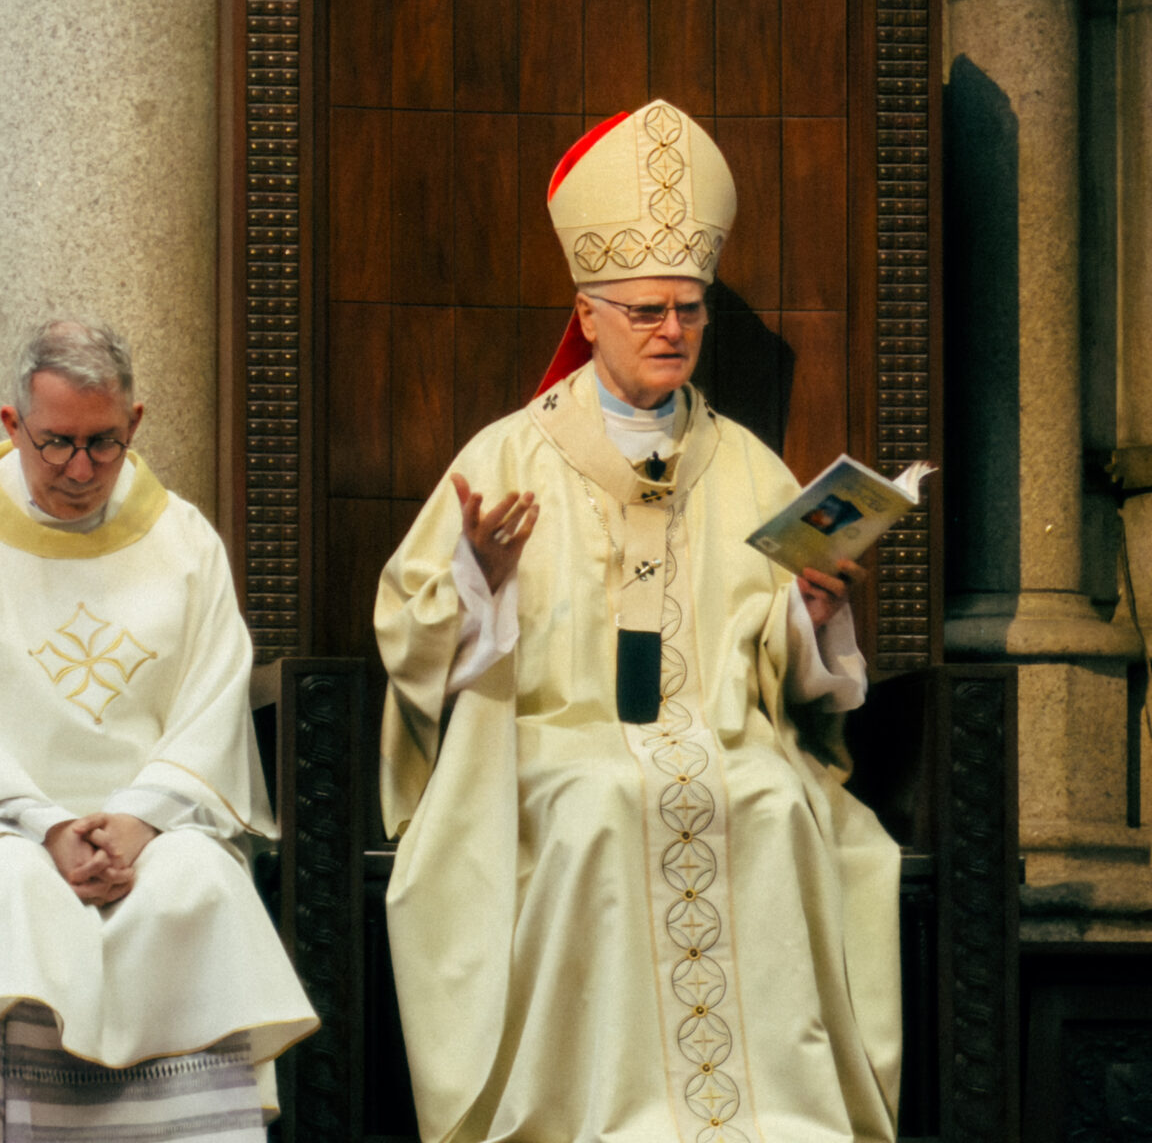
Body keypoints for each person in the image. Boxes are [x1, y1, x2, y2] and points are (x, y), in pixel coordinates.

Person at [376, 101, 902, 1143]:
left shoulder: (748, 464)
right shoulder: (507, 457)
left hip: (723, 735)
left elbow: (794, 681)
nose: (674, 331)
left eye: (690, 311)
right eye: (649, 310)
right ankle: (594, 1116)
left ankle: (770, 1120)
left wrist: (814, 618)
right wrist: (480, 578)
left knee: (771, 799)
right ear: (589, 314)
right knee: (600, 802)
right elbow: (412, 633)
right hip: (554, 745)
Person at [0, 320, 318, 1141]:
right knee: (14, 889)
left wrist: (139, 821)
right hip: (12, 824)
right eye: (57, 443)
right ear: (11, 425)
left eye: (102, 443)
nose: (79, 468)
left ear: (135, 423)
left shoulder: (183, 541)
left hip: (156, 820)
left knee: (199, 885)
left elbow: (213, 697)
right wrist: (48, 825)